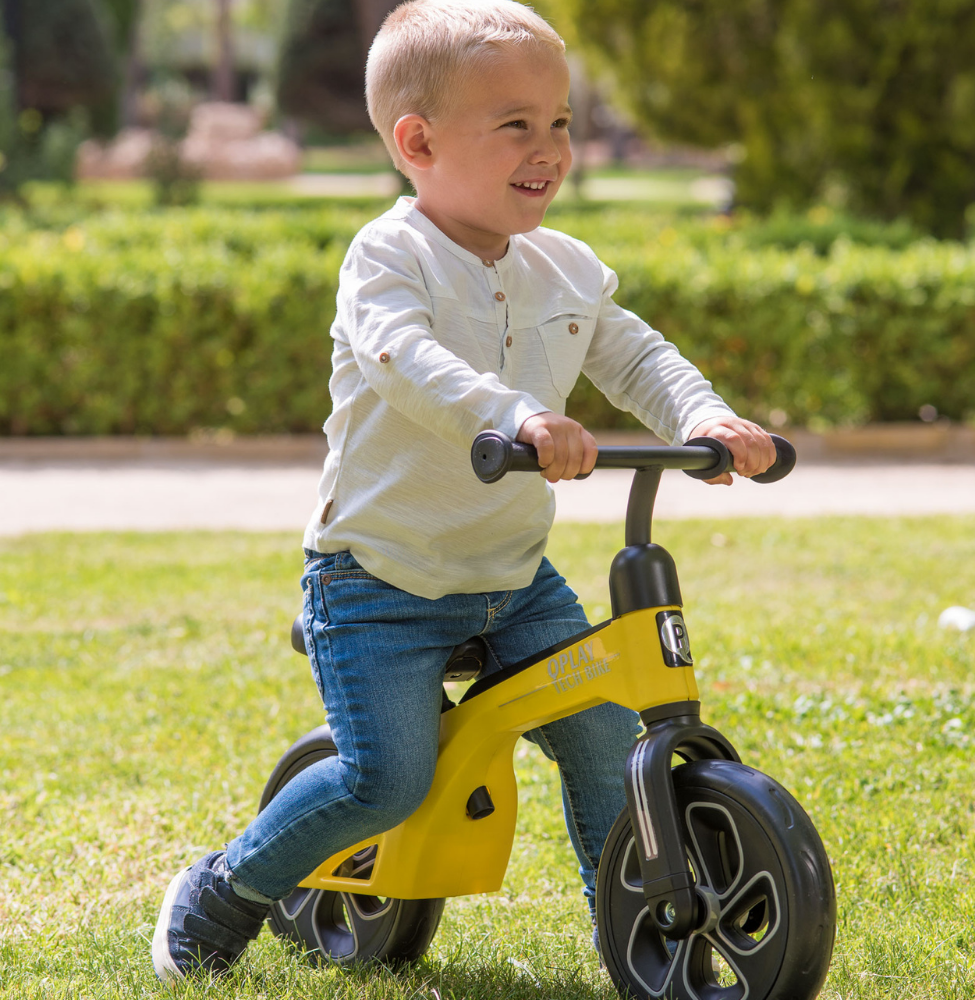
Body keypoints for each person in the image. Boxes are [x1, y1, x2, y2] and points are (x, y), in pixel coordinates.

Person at [151, 0, 776, 982]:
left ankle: (645, 927)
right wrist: (515, 416)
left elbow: (635, 355)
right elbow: (409, 361)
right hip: (378, 578)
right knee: (386, 780)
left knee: (608, 736)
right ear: (417, 140)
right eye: (516, 123)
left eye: (560, 119)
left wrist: (702, 420)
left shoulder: (563, 267)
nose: (550, 146)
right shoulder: (388, 260)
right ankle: (224, 889)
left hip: (509, 575)